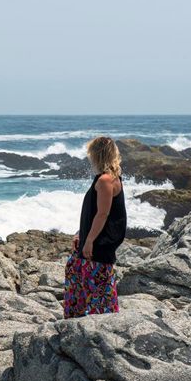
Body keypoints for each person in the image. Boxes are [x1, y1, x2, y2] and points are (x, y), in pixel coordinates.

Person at [63, 136, 127, 318]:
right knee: (74, 268)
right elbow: (93, 212)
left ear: (97, 155)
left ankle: (99, 320)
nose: (89, 157)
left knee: (97, 283)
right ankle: (77, 318)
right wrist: (80, 234)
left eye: (91, 153)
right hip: (94, 238)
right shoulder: (107, 178)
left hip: (101, 242)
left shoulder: (106, 180)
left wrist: (90, 240)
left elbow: (103, 214)